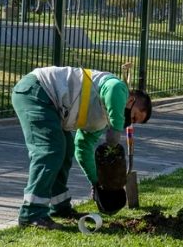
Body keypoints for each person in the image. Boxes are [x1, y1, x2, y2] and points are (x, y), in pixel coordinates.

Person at [12, 66, 152, 230]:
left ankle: (60, 207)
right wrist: (116, 128)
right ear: (130, 100)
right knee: (50, 151)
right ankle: (31, 214)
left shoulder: (101, 121)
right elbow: (113, 90)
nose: (130, 121)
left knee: (66, 150)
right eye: (134, 116)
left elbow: (83, 149)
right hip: (37, 91)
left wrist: (97, 182)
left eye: (135, 122)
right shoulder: (118, 87)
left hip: (52, 104)